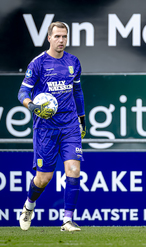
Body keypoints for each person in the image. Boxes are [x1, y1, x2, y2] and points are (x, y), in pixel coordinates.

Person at [17, 21, 86, 232]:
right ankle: (29, 206)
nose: (61, 40)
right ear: (49, 38)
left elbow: (78, 93)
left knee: (74, 169)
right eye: (57, 36)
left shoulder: (73, 62)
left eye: (64, 36)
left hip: (70, 125)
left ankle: (67, 221)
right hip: (45, 128)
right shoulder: (38, 64)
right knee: (44, 178)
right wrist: (33, 106)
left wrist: (82, 120)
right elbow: (22, 93)